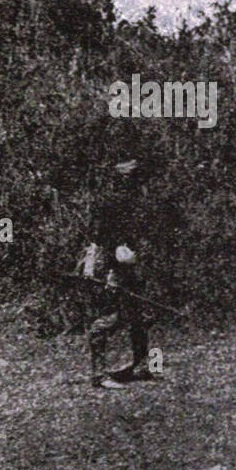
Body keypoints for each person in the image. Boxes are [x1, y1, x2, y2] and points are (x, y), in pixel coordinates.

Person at [83, 159, 154, 389]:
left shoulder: (135, 203)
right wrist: (112, 272)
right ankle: (99, 374)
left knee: (139, 315)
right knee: (110, 317)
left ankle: (142, 365)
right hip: (113, 263)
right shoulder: (111, 204)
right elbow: (106, 240)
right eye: (132, 179)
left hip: (129, 263)